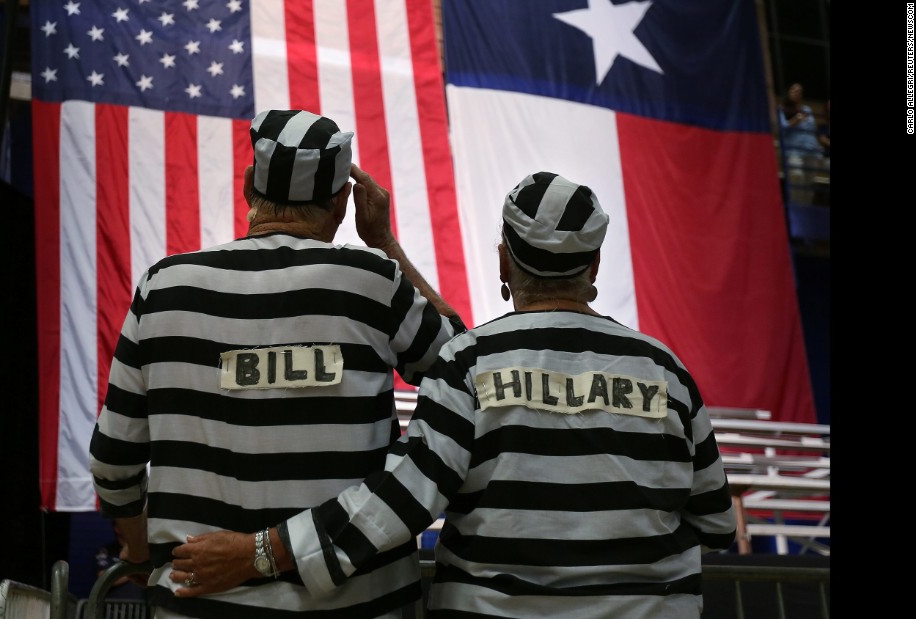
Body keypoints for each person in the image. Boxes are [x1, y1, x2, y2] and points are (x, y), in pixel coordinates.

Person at [170, 171, 739, 618]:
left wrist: (260, 552)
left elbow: (403, 501)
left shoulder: (472, 364)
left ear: (503, 260)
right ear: (592, 263)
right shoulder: (666, 372)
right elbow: (715, 523)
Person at [88, 108, 467, 618]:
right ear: (340, 202)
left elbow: (114, 461)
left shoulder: (164, 288)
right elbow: (460, 362)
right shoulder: (373, 281)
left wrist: (136, 550)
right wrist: (384, 241)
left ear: (249, 186)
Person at [777, 83, 826, 205]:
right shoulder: (782, 109)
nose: (797, 92)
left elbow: (812, 129)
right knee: (796, 176)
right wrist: (796, 119)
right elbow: (782, 128)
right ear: (788, 92)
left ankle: (806, 208)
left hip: (810, 149)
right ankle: (796, 207)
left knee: (809, 183)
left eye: (799, 91)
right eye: (794, 89)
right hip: (793, 150)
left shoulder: (807, 109)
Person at [93, 520, 146, 600]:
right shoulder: (106, 551)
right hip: (114, 607)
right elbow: (104, 578)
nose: (131, 529)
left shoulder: (143, 551)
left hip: (142, 607)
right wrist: (136, 569)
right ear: (117, 528)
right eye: (127, 525)